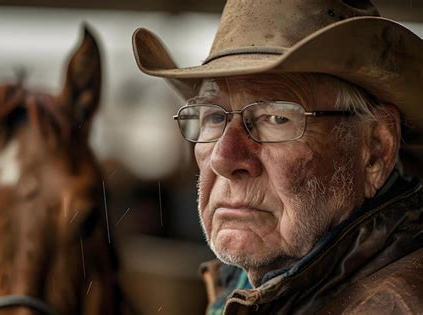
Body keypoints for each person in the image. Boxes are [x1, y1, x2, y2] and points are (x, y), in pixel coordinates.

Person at [132, 0, 423, 313]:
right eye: (214, 118)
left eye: (276, 118)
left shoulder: (397, 305)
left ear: (375, 151)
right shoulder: (249, 287)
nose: (224, 159)